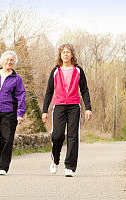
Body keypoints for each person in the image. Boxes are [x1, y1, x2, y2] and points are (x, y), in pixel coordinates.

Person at [41, 44, 92, 177]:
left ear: (72, 55)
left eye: (68, 52)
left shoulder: (78, 70)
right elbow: (49, 92)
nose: (65, 54)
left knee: (73, 136)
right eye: (63, 52)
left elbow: (84, 90)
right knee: (57, 135)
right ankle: (55, 159)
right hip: (59, 106)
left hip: (74, 106)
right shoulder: (55, 71)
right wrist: (44, 110)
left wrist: (88, 108)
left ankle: (69, 166)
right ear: (60, 55)